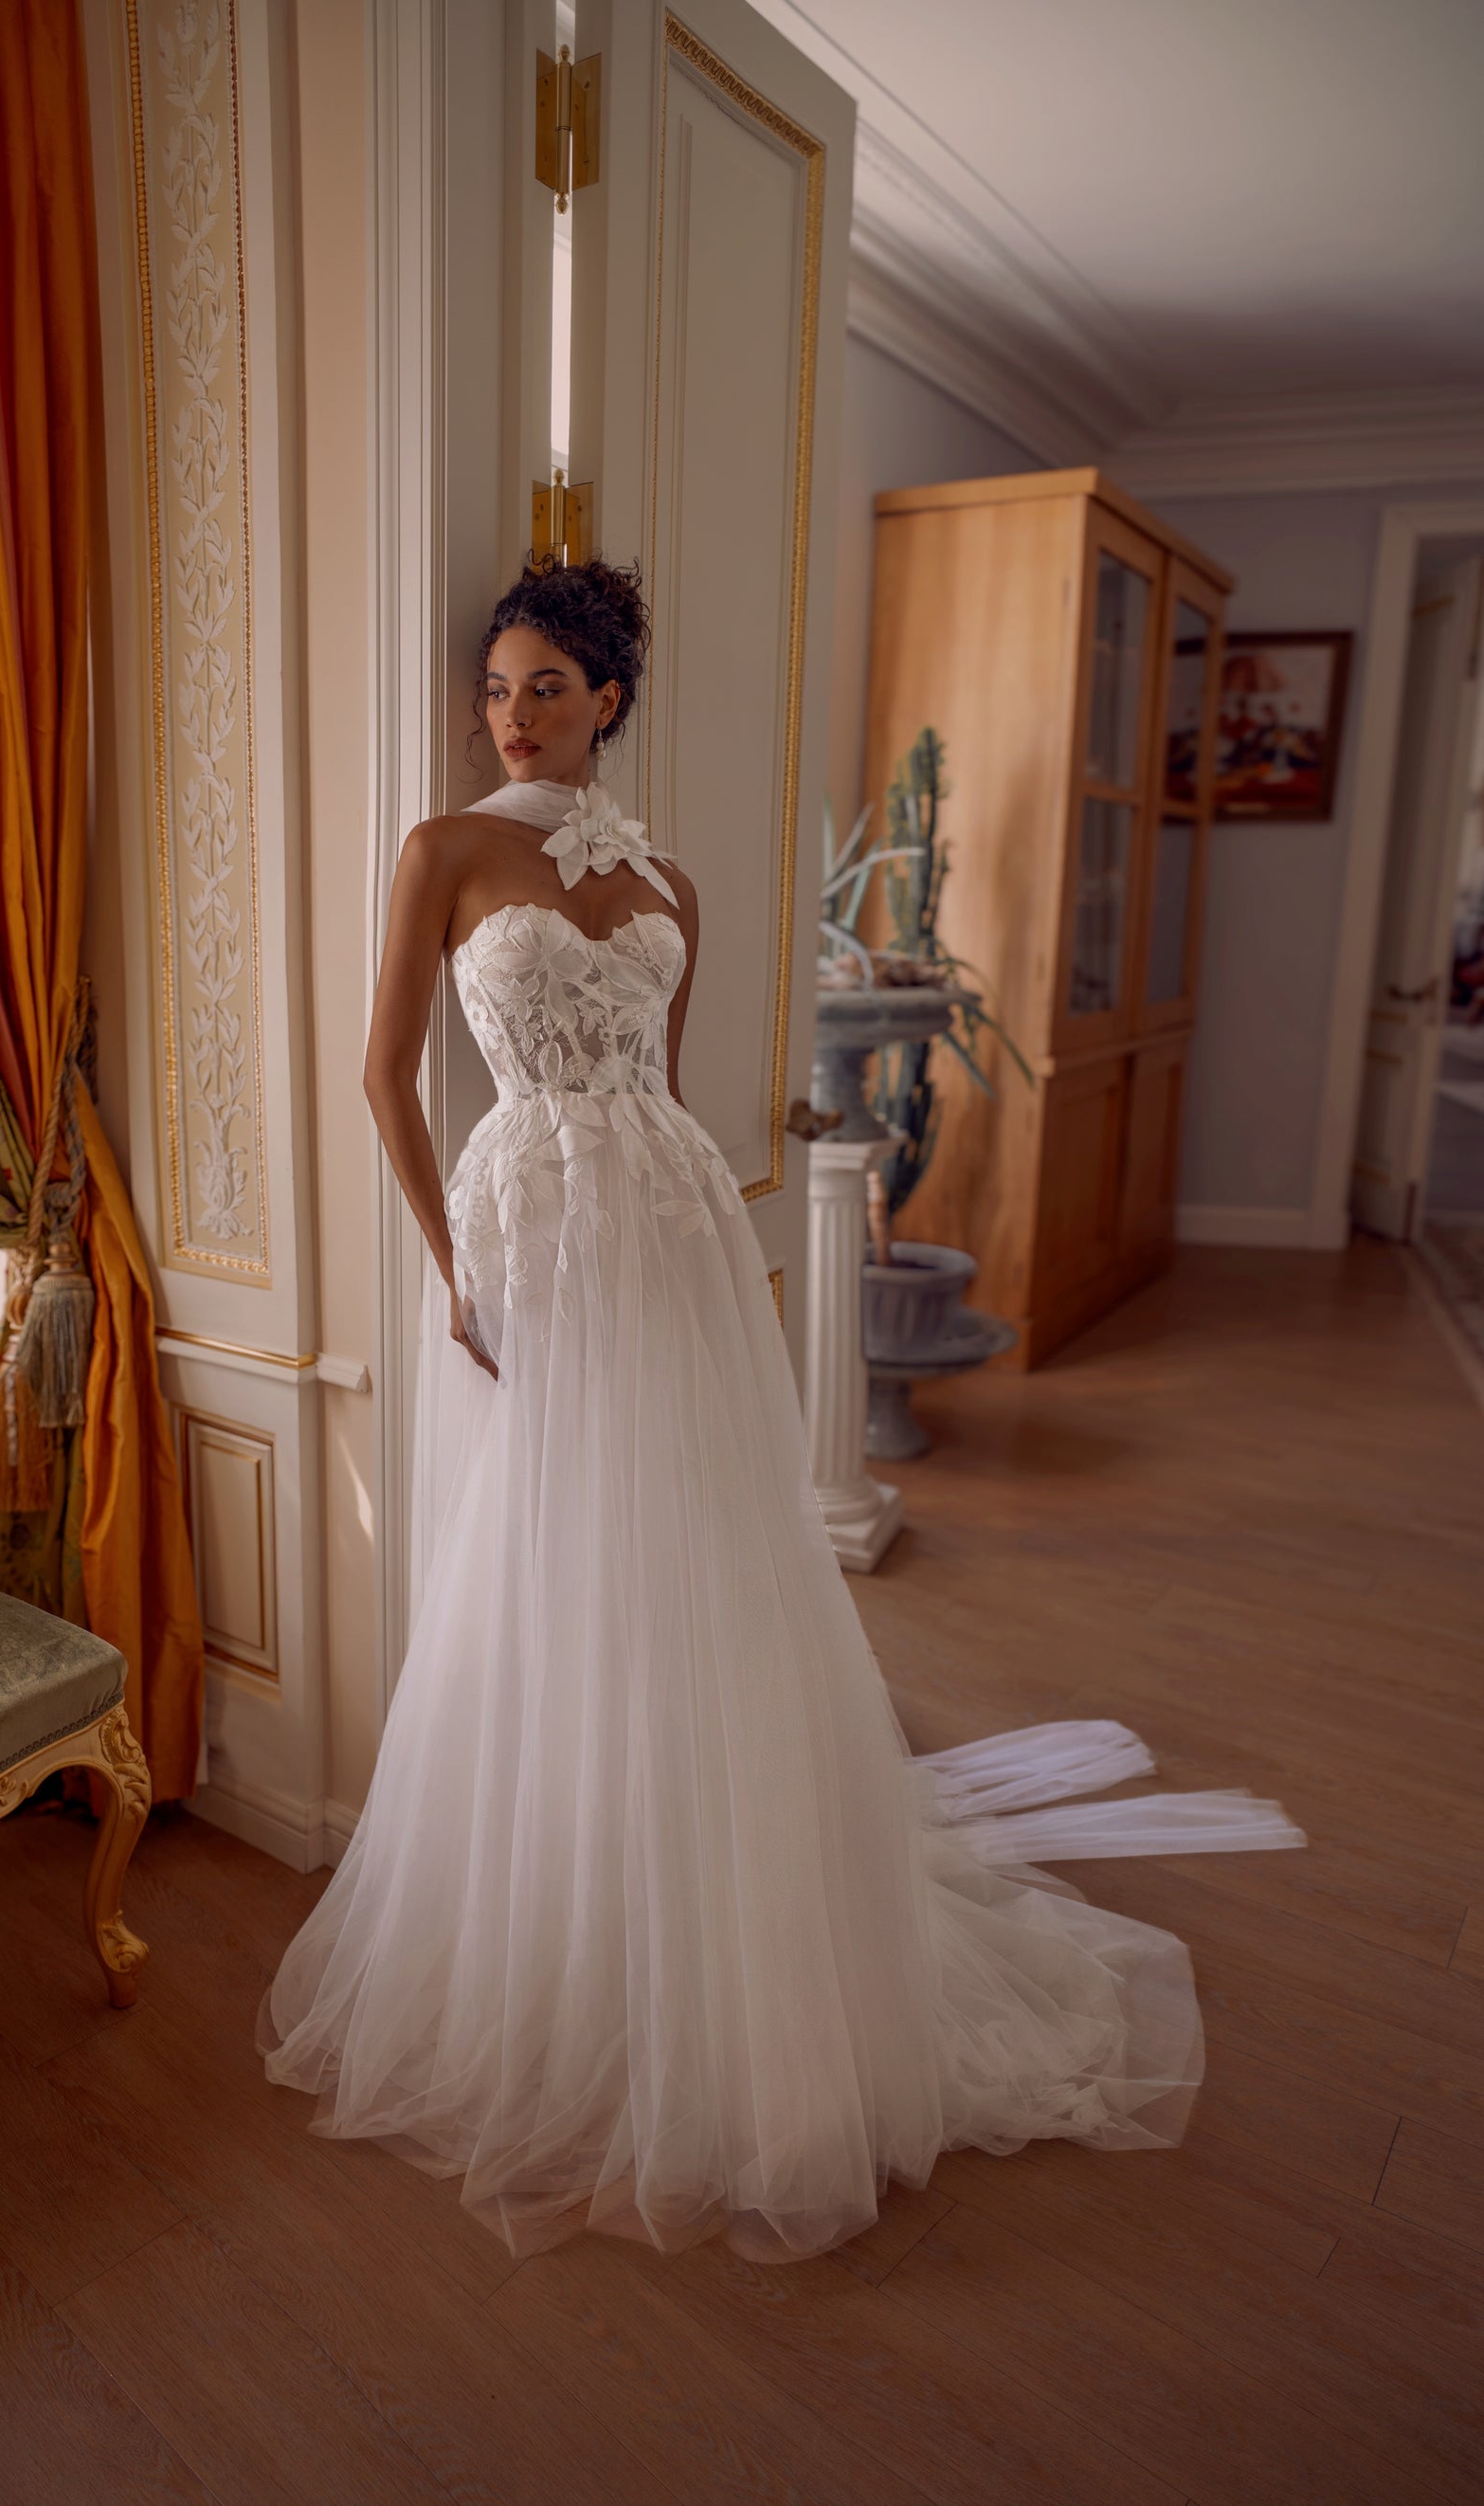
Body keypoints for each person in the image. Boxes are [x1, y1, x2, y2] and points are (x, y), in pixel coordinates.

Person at [260, 556, 1303, 2263]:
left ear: (606, 698)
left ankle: (717, 1880)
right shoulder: (441, 850)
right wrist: (449, 1268)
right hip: (529, 1227)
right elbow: (383, 1075)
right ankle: (575, 1888)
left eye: (542, 686)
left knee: (696, 1546)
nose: (508, 713)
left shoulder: (671, 875)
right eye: (494, 687)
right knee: (551, 1553)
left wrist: (713, 1250)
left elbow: (668, 1088)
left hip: (668, 1225)